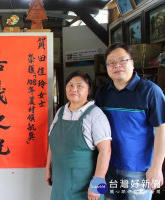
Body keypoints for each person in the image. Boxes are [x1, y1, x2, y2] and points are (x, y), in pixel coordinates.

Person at [95, 43, 165, 200]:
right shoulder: (103, 93)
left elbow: (162, 131)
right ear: (107, 67)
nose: (117, 65)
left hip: (139, 170)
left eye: (122, 60)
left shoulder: (150, 91)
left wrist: (156, 167)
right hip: (108, 167)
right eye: (111, 62)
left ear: (132, 63)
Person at [45, 71, 112, 200]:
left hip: (84, 187)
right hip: (60, 184)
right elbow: (53, 144)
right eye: (70, 85)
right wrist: (48, 168)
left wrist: (97, 184)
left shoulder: (95, 115)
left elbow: (106, 150)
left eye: (80, 86)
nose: (73, 89)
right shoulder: (60, 112)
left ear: (89, 90)